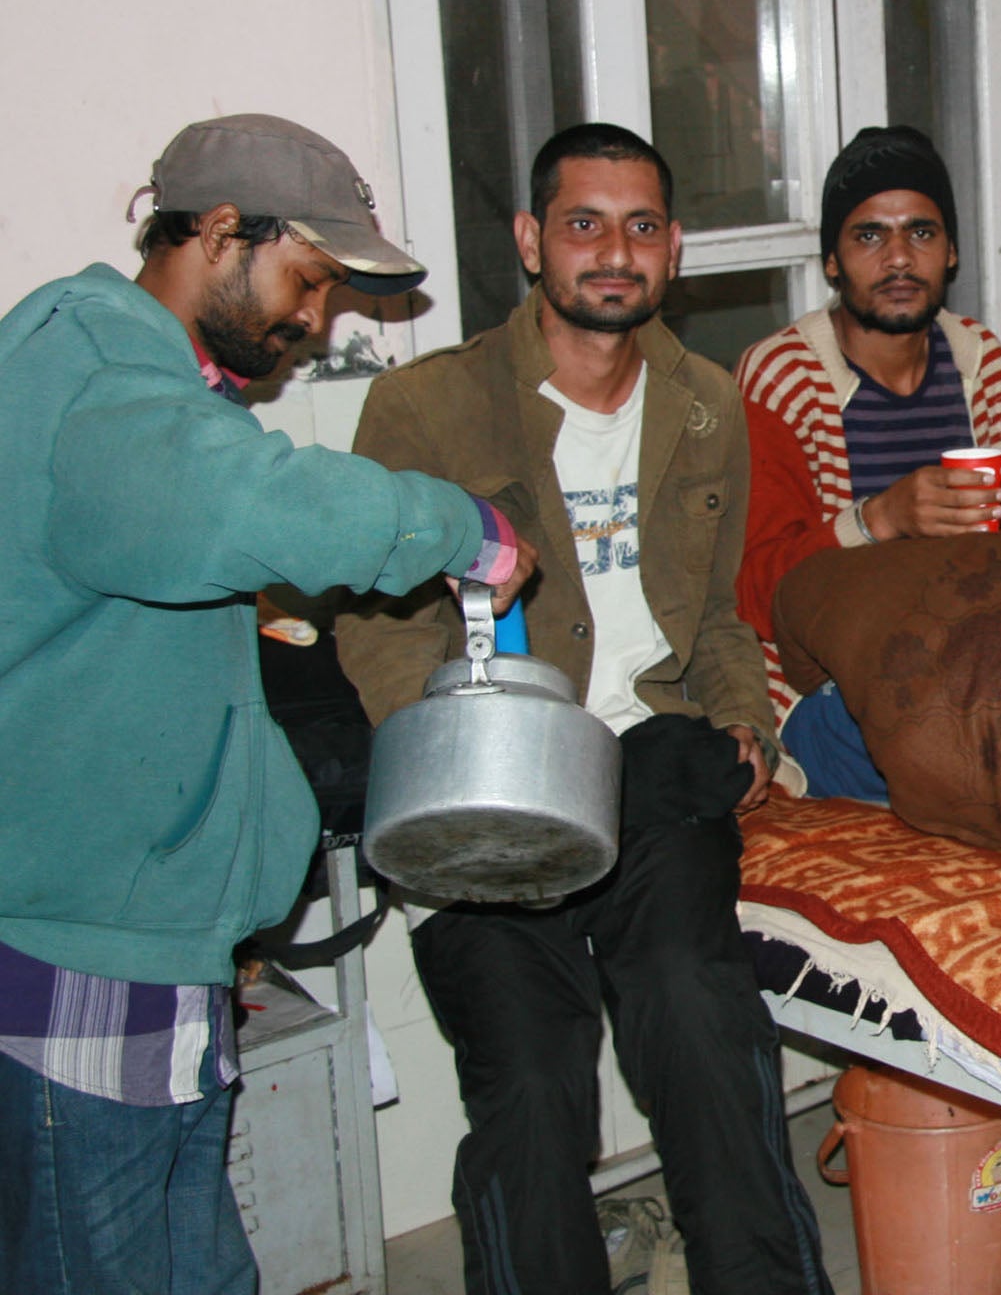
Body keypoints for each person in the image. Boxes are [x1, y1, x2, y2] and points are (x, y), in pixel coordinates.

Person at [0, 113, 533, 1295]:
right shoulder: (95, 381)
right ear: (222, 233)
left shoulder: (146, 388)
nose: (314, 320)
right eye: (305, 280)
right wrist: (464, 529)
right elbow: (257, 505)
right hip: (83, 959)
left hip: (160, 947)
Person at [335, 123, 831, 1295]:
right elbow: (376, 624)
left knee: (700, 1019)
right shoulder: (425, 410)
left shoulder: (708, 403)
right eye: (584, 224)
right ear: (529, 240)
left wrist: (739, 723)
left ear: (674, 250)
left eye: (642, 227)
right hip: (489, 785)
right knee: (530, 1075)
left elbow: (710, 615)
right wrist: (469, 761)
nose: (615, 252)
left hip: (655, 766)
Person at [735, 124, 1001, 798]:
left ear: (950, 254)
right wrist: (878, 518)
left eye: (921, 233)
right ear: (832, 261)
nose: (897, 258)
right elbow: (754, 596)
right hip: (826, 691)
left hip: (959, 658)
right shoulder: (784, 377)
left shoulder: (978, 360)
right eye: (868, 236)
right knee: (979, 751)